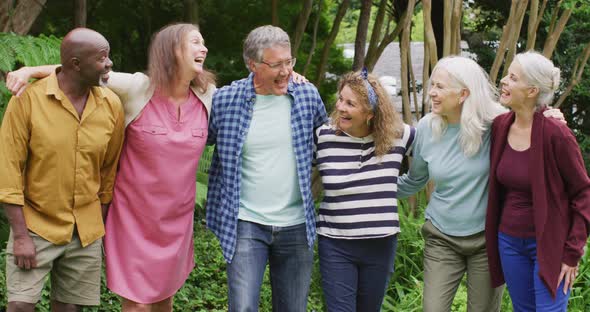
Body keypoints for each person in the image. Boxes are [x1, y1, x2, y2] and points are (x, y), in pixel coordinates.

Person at [5, 23, 215, 312]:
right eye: (195, 42)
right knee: (138, 306)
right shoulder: (138, 88)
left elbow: (250, 92)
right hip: (132, 217)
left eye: (203, 42)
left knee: (164, 301)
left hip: (174, 221)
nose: (203, 48)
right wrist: (29, 71)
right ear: (172, 51)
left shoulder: (209, 96)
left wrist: (288, 75)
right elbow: (79, 69)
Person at [0, 28, 125, 311]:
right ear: (75, 64)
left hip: (84, 231)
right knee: (20, 305)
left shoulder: (111, 105)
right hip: (35, 225)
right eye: (102, 58)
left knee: (70, 308)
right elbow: (9, 170)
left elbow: (108, 172)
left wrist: (97, 229)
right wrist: (20, 236)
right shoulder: (27, 101)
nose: (109, 64)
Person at [206, 25, 328, 312]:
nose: (285, 71)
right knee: (243, 308)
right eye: (276, 64)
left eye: (289, 62)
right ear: (253, 65)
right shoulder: (225, 100)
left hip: (297, 223)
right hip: (246, 221)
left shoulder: (307, 95)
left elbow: (329, 144)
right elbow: (195, 139)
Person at [485, 51, 590, 312]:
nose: (504, 82)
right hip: (508, 242)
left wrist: (572, 251)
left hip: (550, 245)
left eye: (513, 78)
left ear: (532, 90)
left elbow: (584, 193)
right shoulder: (500, 126)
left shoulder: (557, 134)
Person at [314, 69, 415, 311]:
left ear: (370, 112)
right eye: (340, 99)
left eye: (351, 103)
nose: (341, 107)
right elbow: (300, 178)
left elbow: (432, 154)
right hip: (335, 242)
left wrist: (395, 189)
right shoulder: (323, 137)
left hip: (380, 244)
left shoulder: (399, 136)